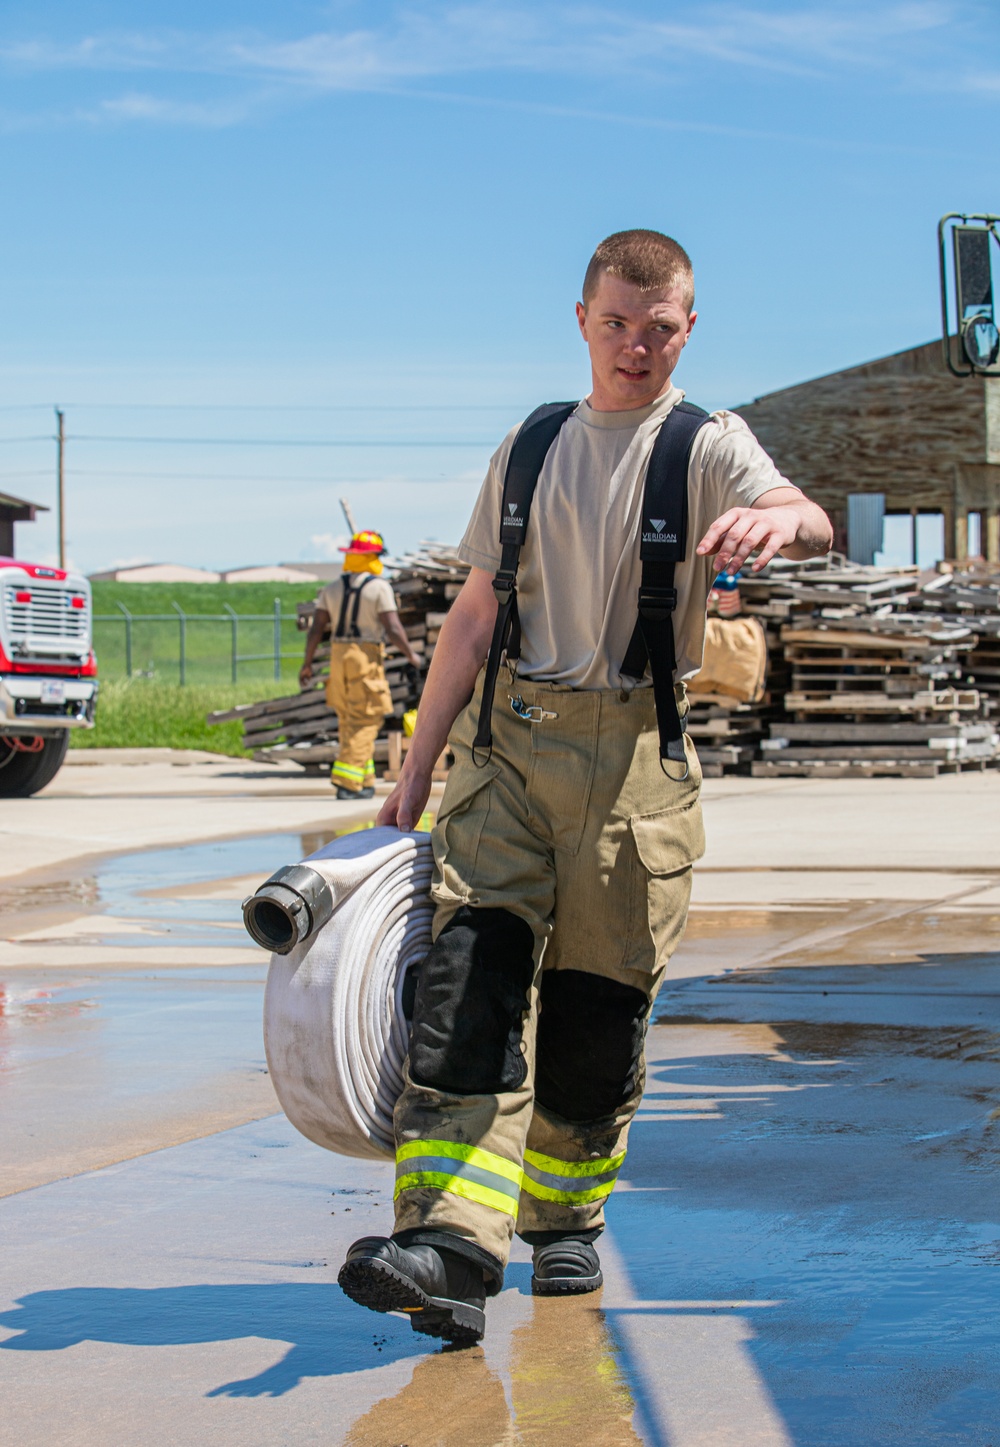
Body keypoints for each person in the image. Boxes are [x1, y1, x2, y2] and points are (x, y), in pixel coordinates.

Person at [337, 230, 833, 1341]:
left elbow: (803, 511)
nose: (635, 347)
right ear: (581, 320)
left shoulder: (706, 443)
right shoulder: (531, 443)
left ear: (687, 329)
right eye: (615, 323)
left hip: (633, 767)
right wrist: (411, 778)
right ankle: (448, 1250)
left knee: (593, 1018)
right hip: (507, 750)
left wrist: (779, 521)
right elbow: (470, 618)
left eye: (658, 329)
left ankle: (563, 1220)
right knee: (467, 989)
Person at [299, 530, 422, 800]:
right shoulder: (379, 588)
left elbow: (317, 629)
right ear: (371, 558)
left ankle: (364, 781)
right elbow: (393, 627)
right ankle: (347, 783)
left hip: (338, 656)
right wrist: (412, 656)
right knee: (367, 718)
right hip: (364, 655)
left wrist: (307, 664)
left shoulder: (332, 588)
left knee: (348, 719)